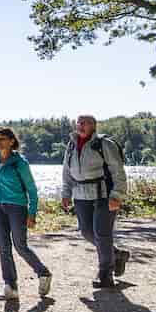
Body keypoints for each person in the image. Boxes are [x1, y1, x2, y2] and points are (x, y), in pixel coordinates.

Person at [60, 113, 130, 289]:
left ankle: (105, 275)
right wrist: (66, 193)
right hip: (81, 196)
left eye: (86, 123)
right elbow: (67, 172)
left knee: (102, 234)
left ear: (94, 126)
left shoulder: (104, 144)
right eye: (79, 122)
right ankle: (117, 255)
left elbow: (118, 171)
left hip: (104, 196)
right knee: (86, 232)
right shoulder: (71, 144)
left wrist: (117, 195)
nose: (81, 126)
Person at [0, 125, 50, 301]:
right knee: (3, 247)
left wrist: (32, 213)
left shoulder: (20, 163)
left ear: (11, 141)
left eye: (2, 139)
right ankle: (10, 286)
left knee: (20, 246)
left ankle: (43, 273)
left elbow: (32, 189)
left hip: (17, 207)